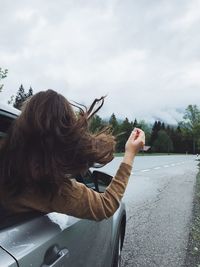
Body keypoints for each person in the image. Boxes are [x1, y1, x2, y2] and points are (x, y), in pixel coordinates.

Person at [0, 89, 145, 221]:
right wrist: (130, 154)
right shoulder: (54, 190)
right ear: (66, 137)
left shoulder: (6, 164)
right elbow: (106, 206)